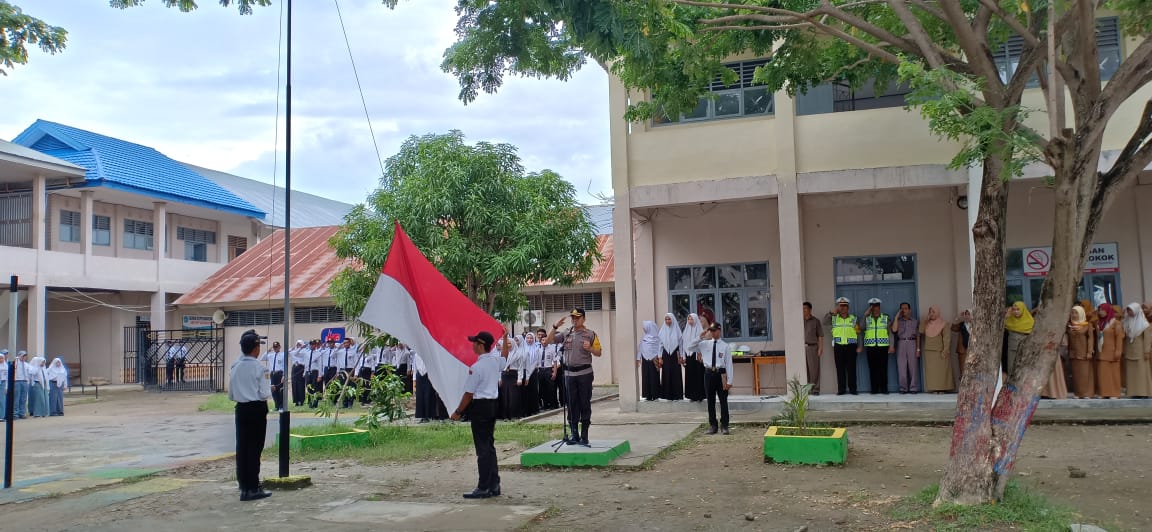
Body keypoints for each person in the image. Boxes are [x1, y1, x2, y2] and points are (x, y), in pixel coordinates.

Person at [451, 330, 510, 499]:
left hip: (480, 406)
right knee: (489, 447)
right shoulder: (494, 361)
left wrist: (457, 412)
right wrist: (505, 339)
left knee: (483, 449)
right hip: (492, 405)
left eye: (474, 343)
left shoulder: (476, 368)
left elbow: (469, 394)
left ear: (481, 345)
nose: (472, 346)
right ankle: (494, 484)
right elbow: (505, 358)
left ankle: (484, 486)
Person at [547, 308, 602, 446]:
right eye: (573, 318)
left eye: (577, 317)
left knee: (584, 403)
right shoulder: (566, 333)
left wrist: (590, 348)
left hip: (584, 374)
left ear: (583, 318)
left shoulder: (590, 334)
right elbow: (547, 341)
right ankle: (574, 434)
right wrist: (555, 327)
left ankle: (584, 436)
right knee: (571, 405)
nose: (574, 320)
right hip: (569, 374)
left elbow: (599, 352)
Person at [229, 329, 272, 502]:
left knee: (242, 448)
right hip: (256, 409)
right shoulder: (260, 368)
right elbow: (264, 394)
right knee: (255, 449)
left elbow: (231, 395)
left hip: (241, 409)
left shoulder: (235, 366)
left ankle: (244, 487)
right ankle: (253, 488)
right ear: (255, 348)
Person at [688, 322, 733, 435]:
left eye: (714, 330)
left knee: (723, 401)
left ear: (719, 330)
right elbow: (690, 347)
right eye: (710, 331)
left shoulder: (725, 346)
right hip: (708, 374)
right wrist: (700, 336)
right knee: (710, 401)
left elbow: (729, 364)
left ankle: (724, 425)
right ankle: (713, 425)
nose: (712, 333)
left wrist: (729, 381)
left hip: (721, 374)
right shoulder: (705, 344)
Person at [826, 298, 860, 395]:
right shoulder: (834, 318)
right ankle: (841, 390)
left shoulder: (854, 318)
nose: (843, 308)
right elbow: (824, 322)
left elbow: (858, 333)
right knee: (840, 368)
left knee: (851, 368)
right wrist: (831, 313)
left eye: (844, 306)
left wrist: (860, 346)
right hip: (839, 346)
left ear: (848, 307)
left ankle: (853, 389)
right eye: (841, 306)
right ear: (838, 307)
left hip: (851, 346)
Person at [861, 298, 893, 394]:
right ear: (870, 307)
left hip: (883, 346)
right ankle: (874, 389)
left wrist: (892, 345)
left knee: (883, 368)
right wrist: (865, 315)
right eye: (873, 306)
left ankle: (884, 389)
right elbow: (861, 327)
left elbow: (890, 333)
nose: (875, 308)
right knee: (872, 369)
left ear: (879, 307)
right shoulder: (867, 318)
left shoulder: (886, 317)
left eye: (877, 306)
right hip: (871, 347)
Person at [1121, 303, 1152, 398]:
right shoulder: (1126, 323)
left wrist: (1147, 351)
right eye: (1128, 310)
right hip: (1130, 351)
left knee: (1141, 372)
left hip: (1141, 352)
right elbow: (1124, 338)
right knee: (1131, 373)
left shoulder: (1144, 324)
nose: (1129, 312)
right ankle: (1133, 392)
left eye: (1131, 310)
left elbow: (1147, 339)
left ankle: (1143, 393)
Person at [920, 307, 953, 393]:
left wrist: (946, 350)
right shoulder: (927, 324)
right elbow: (920, 331)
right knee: (932, 372)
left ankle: (942, 389)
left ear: (938, 313)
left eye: (933, 312)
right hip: (929, 351)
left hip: (940, 351)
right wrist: (925, 320)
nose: (931, 314)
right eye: (930, 312)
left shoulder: (944, 324)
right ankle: (934, 388)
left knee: (941, 371)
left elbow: (947, 338)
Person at [1067, 306, 1096, 399]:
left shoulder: (1087, 325)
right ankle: (1078, 393)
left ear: (1081, 314)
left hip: (1084, 353)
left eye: (1076, 313)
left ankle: (1087, 393)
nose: (1074, 315)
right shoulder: (1069, 325)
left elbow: (1091, 339)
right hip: (1073, 353)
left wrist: (1089, 351)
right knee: (1076, 375)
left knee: (1085, 374)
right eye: (1072, 313)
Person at [1096, 303, 1124, 399]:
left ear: (1108, 310)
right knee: (1104, 374)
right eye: (1099, 310)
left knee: (1114, 373)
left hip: (1112, 352)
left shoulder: (1115, 323)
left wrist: (1118, 351)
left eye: (1102, 310)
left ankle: (1115, 393)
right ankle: (1105, 393)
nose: (1100, 312)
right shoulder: (1099, 323)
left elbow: (1119, 337)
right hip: (1102, 352)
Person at [412, 352, 449, 422]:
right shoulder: (416, 355)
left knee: (428, 396)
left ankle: (429, 415)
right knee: (420, 397)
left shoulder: (429, 355)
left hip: (428, 375)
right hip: (419, 376)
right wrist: (414, 380)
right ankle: (422, 416)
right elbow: (414, 368)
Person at [892, 302, 919, 394]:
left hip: (912, 343)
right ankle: (903, 388)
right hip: (901, 343)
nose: (904, 310)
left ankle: (913, 388)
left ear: (909, 310)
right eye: (902, 308)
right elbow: (894, 330)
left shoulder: (915, 321)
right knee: (901, 367)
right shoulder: (898, 321)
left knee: (913, 367)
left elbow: (918, 335)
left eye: (906, 308)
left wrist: (918, 349)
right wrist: (896, 317)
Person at [658, 313, 684, 401]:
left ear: (672, 320)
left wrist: (681, 356)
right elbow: (660, 345)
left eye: (669, 319)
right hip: (666, 354)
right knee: (666, 373)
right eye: (666, 319)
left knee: (675, 373)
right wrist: (660, 357)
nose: (667, 321)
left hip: (675, 354)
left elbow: (681, 345)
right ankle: (667, 395)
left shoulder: (677, 331)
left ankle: (677, 395)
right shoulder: (662, 331)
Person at [1003, 302, 1034, 375]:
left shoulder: (1030, 321)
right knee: (1011, 368)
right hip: (1012, 349)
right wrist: (1007, 315)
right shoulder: (1009, 320)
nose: (1016, 311)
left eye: (1018, 309)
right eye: (1014, 309)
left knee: (1024, 368)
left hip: (1026, 348)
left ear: (1023, 310)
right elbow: (1002, 326)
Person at [681, 314, 706, 402]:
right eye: (689, 319)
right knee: (690, 375)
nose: (690, 321)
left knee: (698, 375)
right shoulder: (686, 331)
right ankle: (691, 396)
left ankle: (699, 396)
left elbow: (702, 342)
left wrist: (700, 353)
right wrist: (683, 356)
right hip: (688, 356)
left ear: (695, 320)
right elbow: (683, 344)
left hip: (697, 356)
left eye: (692, 319)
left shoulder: (700, 330)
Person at [636, 320, 661, 402]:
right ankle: (648, 395)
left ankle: (656, 395)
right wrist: (638, 358)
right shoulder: (644, 337)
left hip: (654, 360)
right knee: (646, 376)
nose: (644, 328)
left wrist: (659, 357)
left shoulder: (657, 337)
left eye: (645, 327)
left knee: (654, 377)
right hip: (645, 359)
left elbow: (660, 348)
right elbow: (641, 348)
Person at [801, 303, 824, 394]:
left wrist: (820, 348)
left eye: (805, 308)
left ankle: (815, 389)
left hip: (812, 347)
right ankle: (806, 390)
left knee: (814, 370)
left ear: (810, 309)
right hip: (801, 348)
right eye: (802, 308)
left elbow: (820, 335)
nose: (803, 310)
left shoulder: (816, 321)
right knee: (803, 369)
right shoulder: (799, 320)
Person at [260, 342, 287, 411]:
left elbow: (285, 365)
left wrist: (284, 375)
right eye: (274, 347)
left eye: (277, 347)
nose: (275, 348)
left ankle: (281, 405)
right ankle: (277, 405)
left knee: (280, 390)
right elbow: (262, 358)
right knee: (273, 390)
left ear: (279, 347)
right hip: (272, 373)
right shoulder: (270, 355)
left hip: (279, 373)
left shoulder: (282, 355)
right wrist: (268, 350)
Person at [356, 342, 379, 406]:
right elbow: (357, 352)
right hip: (361, 370)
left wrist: (372, 373)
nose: (364, 348)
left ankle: (367, 400)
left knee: (368, 386)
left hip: (368, 370)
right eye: (364, 347)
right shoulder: (360, 354)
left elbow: (373, 364)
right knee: (361, 385)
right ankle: (362, 400)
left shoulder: (370, 355)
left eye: (366, 347)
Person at [303, 339, 324, 408]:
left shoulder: (318, 353)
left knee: (315, 388)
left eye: (314, 344)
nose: (312, 346)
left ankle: (315, 402)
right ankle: (310, 402)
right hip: (308, 372)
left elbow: (320, 365)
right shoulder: (307, 353)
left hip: (315, 372)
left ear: (316, 345)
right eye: (311, 344)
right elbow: (306, 363)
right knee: (308, 388)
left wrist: (319, 376)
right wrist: (304, 372)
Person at [952, 309, 972, 379]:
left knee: (973, 371)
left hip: (973, 351)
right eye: (965, 314)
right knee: (963, 370)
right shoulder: (961, 324)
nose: (966, 316)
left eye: (968, 314)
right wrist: (958, 317)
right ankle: (963, 388)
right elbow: (953, 328)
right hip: (963, 350)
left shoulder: (976, 325)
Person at [289, 340, 307, 407]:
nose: (298, 345)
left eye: (300, 344)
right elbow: (288, 352)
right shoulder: (294, 351)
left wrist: (301, 348)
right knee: (294, 385)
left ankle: (301, 401)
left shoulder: (304, 351)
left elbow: (297, 354)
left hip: (301, 367)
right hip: (294, 368)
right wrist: (294, 347)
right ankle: (296, 401)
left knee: (300, 385)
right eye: (297, 344)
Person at [12, 351, 29, 419]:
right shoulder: (16, 362)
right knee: (16, 398)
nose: (24, 357)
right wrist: (17, 358)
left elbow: (31, 370)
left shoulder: (26, 364)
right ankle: (15, 414)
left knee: (23, 398)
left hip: (24, 381)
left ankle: (22, 413)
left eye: (25, 356)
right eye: (23, 356)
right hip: (17, 381)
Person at [0, 350, 7, 421]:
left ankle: (2, 416)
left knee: (2, 400)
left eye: (2, 358)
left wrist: (6, 387)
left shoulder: (6, 366)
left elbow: (7, 378)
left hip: (3, 383)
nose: (1, 360)